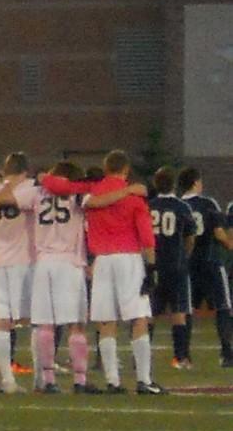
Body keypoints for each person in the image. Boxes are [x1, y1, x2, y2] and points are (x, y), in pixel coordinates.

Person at [41, 150, 162, 394]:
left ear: (106, 168)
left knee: (106, 321)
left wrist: (43, 176)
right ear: (126, 170)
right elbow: (147, 238)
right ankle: (144, 379)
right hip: (128, 258)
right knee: (138, 318)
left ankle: (113, 381)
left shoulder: (91, 191)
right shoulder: (134, 197)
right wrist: (151, 268)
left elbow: (54, 184)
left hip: (103, 261)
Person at [0, 153, 37, 393]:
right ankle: (39, 378)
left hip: (0, 261)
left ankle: (8, 379)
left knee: (2, 320)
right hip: (25, 261)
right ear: (25, 170)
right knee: (34, 320)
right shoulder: (29, 188)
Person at [178, 167, 233, 368]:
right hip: (210, 261)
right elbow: (219, 232)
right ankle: (227, 354)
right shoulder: (208, 203)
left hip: (187, 263)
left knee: (186, 308)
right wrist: (229, 244)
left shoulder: (179, 204)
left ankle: (183, 354)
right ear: (195, 182)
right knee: (223, 306)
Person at [148, 166, 196, 369]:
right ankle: (180, 358)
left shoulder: (148, 206)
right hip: (175, 264)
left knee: (149, 313)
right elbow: (190, 237)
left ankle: (141, 357)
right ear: (174, 184)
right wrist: (184, 256)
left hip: (153, 265)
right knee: (178, 312)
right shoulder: (182, 207)